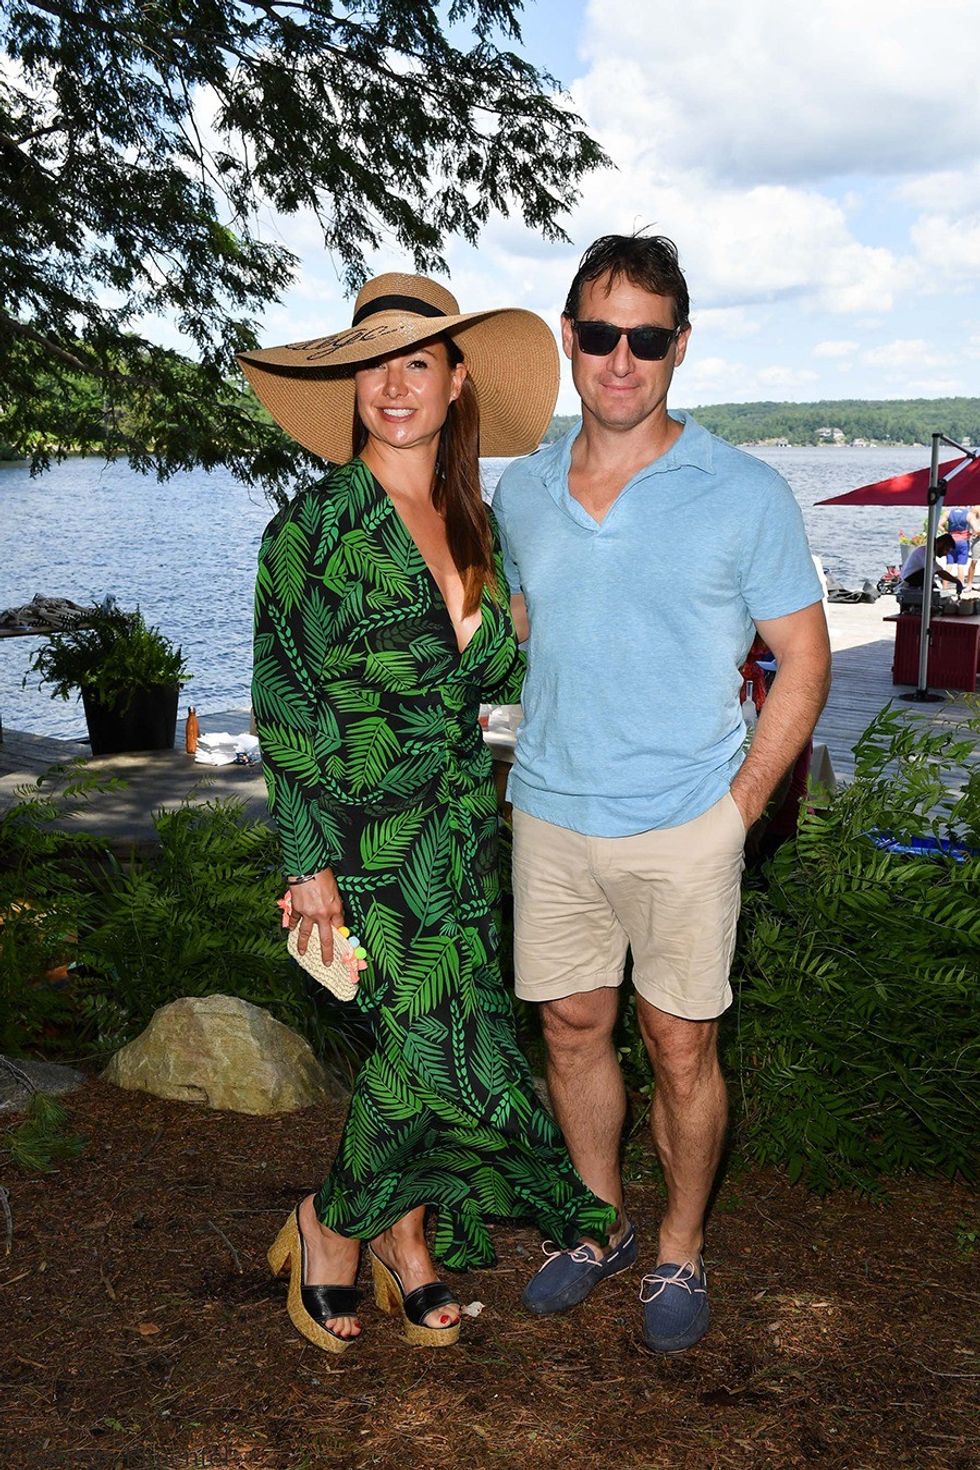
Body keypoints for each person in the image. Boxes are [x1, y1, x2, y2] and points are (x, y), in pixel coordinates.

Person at [240, 274, 615, 1356]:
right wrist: (305, 862)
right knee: (425, 1054)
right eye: (372, 364)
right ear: (350, 385)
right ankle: (330, 1228)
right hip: (358, 841)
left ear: (456, 385)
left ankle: (405, 1248)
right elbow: (284, 704)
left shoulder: (476, 525)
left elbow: (506, 668)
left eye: (416, 362)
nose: (391, 385)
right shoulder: (311, 530)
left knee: (442, 1039)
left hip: (455, 834)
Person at [492, 233, 831, 1353]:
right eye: (599, 334)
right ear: (568, 340)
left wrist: (735, 810)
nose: (620, 359)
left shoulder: (741, 491)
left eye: (645, 336)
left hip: (685, 824)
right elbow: (524, 633)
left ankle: (680, 1246)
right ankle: (598, 1227)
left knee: (679, 1045)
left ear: (678, 346)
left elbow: (803, 656)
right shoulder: (524, 492)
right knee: (571, 1026)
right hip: (547, 812)